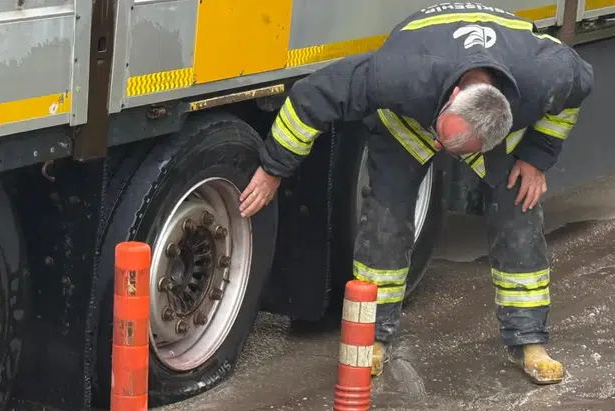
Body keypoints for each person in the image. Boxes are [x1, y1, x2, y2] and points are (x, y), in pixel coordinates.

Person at [238, 2, 594, 385]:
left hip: (483, 124)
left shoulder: (548, 77)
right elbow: (311, 97)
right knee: (386, 218)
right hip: (408, 122)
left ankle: (529, 341)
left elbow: (575, 95)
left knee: (518, 211)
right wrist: (274, 168)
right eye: (444, 137)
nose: (442, 151)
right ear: (454, 94)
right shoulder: (399, 74)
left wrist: (537, 157)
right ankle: (372, 336)